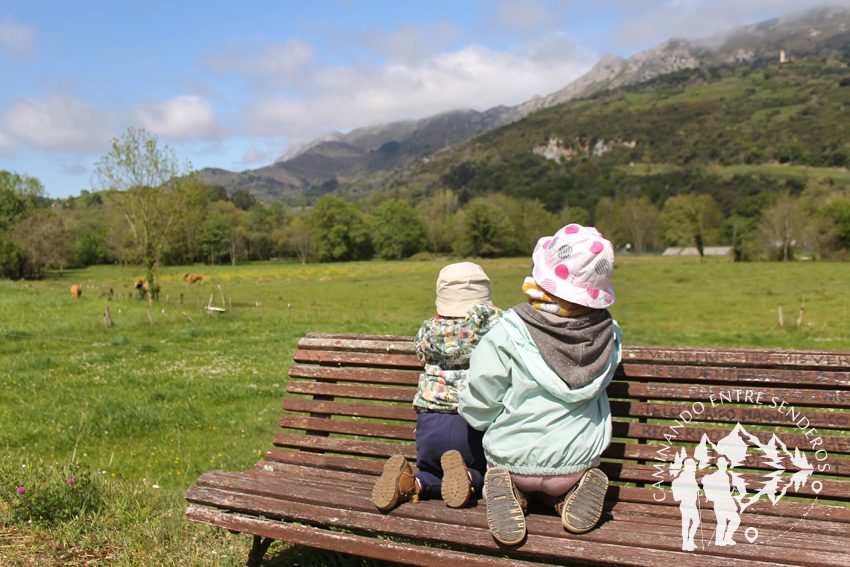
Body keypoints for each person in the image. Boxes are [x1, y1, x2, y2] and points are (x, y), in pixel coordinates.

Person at [458, 224, 622, 546]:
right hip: (577, 459)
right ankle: (568, 494)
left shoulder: (510, 330)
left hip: (513, 457)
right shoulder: (609, 335)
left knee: (504, 465)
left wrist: (476, 417)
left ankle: (510, 488)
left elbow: (483, 392)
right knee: (563, 477)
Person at [372, 262, 502, 512]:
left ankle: (413, 483)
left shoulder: (428, 329)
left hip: (431, 422)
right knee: (487, 472)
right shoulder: (494, 326)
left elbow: (422, 355)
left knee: (432, 471)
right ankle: (468, 477)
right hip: (473, 423)